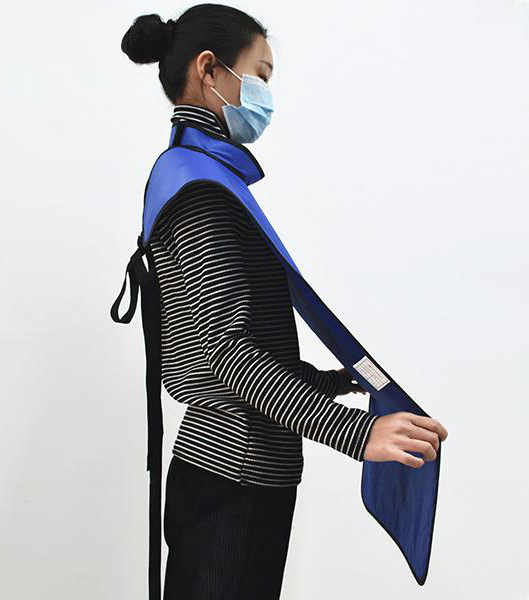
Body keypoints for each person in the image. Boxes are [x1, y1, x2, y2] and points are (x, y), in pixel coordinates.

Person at [119, 4, 448, 599]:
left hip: (239, 474)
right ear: (209, 70)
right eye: (261, 75)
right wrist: (358, 433)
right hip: (232, 479)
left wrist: (337, 381)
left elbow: (229, 351)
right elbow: (226, 355)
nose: (267, 96)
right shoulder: (199, 190)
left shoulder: (199, 177)